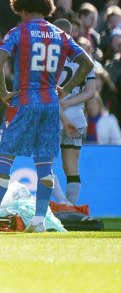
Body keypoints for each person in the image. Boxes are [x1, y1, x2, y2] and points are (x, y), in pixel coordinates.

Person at [0, 0, 93, 234]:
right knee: (45, 164)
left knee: (4, 158)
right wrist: (65, 90)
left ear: (23, 11)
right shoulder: (61, 35)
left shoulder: (18, 32)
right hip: (50, 104)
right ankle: (39, 221)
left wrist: (3, 91)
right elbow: (86, 63)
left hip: (23, 101)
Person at [51, 21, 95, 206]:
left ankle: (63, 202)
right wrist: (69, 102)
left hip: (53, 116)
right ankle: (72, 210)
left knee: (45, 165)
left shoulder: (49, 57)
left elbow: (48, 91)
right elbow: (90, 92)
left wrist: (62, 107)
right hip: (77, 117)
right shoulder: (84, 58)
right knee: (72, 169)